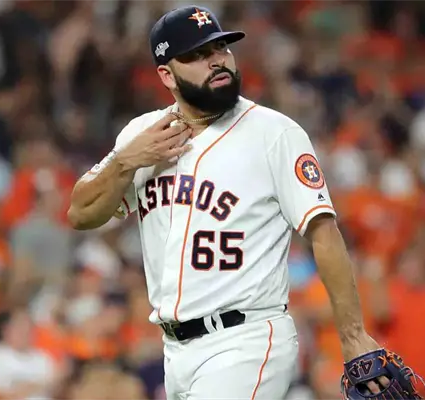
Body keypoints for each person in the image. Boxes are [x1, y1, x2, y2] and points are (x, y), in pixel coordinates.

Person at [68, 5, 388, 399]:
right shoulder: (143, 134)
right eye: (197, 55)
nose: (216, 60)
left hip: (247, 339)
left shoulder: (273, 133)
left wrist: (353, 336)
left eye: (220, 48)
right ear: (166, 74)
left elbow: (324, 234)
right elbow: (80, 213)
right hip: (175, 350)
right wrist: (124, 162)